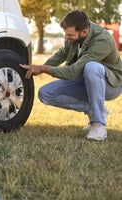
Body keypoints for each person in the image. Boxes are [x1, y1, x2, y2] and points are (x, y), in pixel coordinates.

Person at [20, 10, 122, 141]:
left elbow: (73, 71)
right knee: (46, 93)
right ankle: (93, 109)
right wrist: (39, 68)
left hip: (111, 86)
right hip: (85, 81)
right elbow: (62, 53)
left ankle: (98, 124)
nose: (66, 38)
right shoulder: (75, 36)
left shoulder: (102, 40)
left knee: (92, 67)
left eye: (70, 35)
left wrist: (44, 68)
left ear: (84, 32)